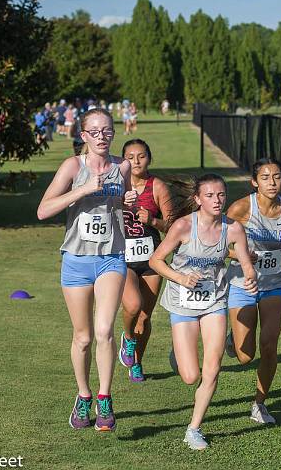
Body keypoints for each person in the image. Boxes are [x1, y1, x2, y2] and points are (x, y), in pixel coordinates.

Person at [37, 108, 138, 432]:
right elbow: (43, 210)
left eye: (107, 130)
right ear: (84, 136)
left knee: (104, 330)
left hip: (111, 257)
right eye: (94, 131)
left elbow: (119, 204)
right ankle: (83, 395)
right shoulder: (73, 166)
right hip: (77, 260)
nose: (101, 137)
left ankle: (105, 398)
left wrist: (129, 201)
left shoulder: (122, 167)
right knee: (82, 338)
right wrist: (81, 190)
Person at [149, 174, 258, 450]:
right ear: (198, 199)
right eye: (209, 195)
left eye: (221, 195)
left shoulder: (233, 229)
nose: (217, 200)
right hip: (183, 302)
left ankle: (194, 428)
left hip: (214, 302)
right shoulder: (184, 227)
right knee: (190, 376)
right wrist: (180, 277)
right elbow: (156, 260)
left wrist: (250, 277)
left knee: (212, 368)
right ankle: (178, 354)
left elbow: (245, 261)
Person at [224, 157, 281, 424]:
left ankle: (259, 404)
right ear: (254, 182)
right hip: (242, 284)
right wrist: (242, 255)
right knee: (245, 356)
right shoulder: (240, 209)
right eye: (265, 177)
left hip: (274, 284)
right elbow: (216, 244)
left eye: (277, 177)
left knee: (270, 345)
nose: (272, 182)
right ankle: (233, 340)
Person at [118, 139, 175, 382]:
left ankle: (137, 362)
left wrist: (152, 221)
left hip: (152, 260)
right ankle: (128, 339)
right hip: (123, 258)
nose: (136, 161)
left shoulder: (158, 186)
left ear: (149, 158)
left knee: (145, 316)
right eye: (130, 157)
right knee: (132, 305)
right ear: (123, 161)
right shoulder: (117, 185)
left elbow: (173, 226)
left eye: (141, 156)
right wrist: (119, 204)